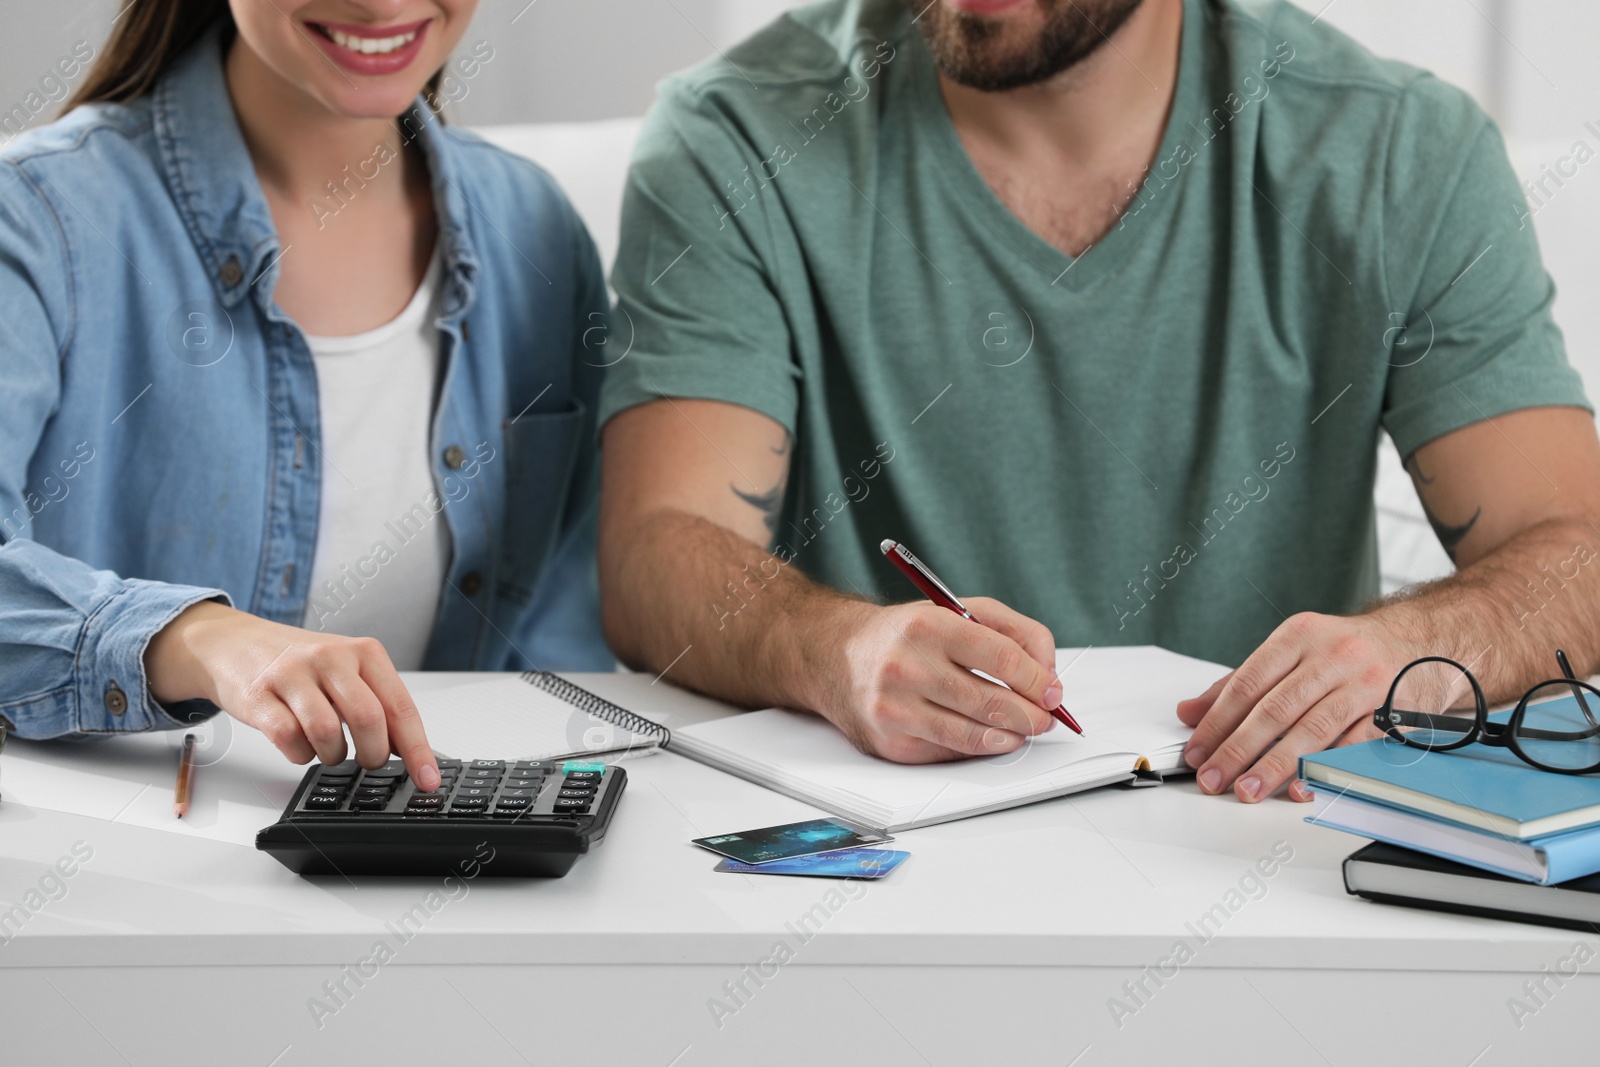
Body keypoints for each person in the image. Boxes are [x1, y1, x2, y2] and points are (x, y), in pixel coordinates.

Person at [596, 0, 1600, 800]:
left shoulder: (1400, 149)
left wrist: (1408, 651)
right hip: (893, 851)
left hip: (1256, 837)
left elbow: (1579, 544)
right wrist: (834, 648)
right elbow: (655, 550)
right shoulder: (733, 135)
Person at [0, 0, 613, 793]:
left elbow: (565, 652)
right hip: (136, 885)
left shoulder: (536, 228)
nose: (384, 4)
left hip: (463, 873)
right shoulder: (38, 222)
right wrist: (195, 638)